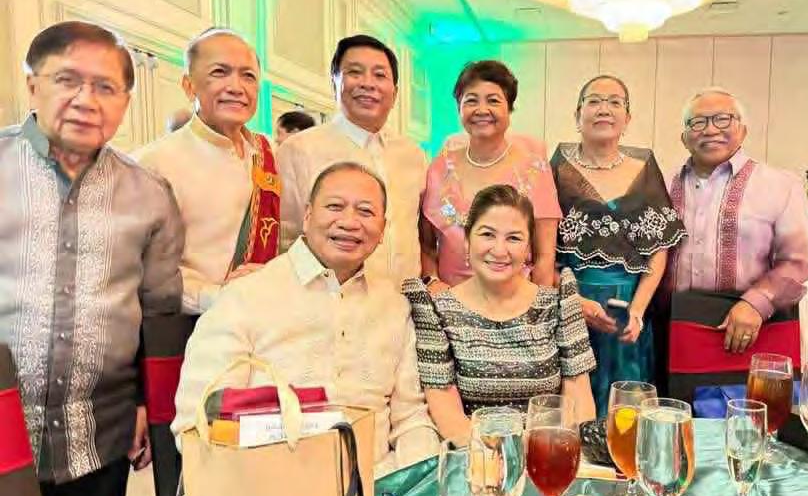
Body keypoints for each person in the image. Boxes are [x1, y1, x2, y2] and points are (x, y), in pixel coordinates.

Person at [0, 21, 184, 496]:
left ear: (125, 101)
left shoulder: (149, 194)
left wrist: (148, 403)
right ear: (32, 85)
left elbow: (159, 309)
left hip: (99, 437)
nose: (86, 100)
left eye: (105, 87)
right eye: (67, 80)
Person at [172, 162, 439, 477]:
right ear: (308, 215)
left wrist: (412, 485)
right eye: (335, 207)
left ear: (383, 229)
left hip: (376, 486)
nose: (349, 222)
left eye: (366, 212)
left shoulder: (393, 307)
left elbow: (411, 418)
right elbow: (198, 421)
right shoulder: (246, 296)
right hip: (269, 484)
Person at [405, 185, 596, 445]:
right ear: (467, 241)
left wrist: (557, 454)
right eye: (487, 234)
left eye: (514, 238)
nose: (499, 250)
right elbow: (447, 412)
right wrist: (502, 459)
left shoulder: (559, 303)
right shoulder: (436, 310)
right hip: (473, 455)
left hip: (549, 452)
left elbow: (578, 399)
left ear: (528, 249)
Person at [551, 75, 686, 415]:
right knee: (572, 412)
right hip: (569, 305)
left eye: (615, 102)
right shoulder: (555, 171)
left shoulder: (645, 170)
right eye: (594, 101)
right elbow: (540, 254)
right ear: (577, 114)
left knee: (626, 412)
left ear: (627, 118)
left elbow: (659, 249)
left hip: (628, 310)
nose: (604, 109)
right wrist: (574, 303)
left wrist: (637, 311)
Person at [134, 28, 281, 315]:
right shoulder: (154, 163)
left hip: (265, 320)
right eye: (219, 73)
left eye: (248, 76)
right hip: (189, 325)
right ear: (189, 86)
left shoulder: (270, 154)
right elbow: (144, 268)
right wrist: (217, 297)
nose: (236, 87)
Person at [665, 86, 808, 353]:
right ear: (684, 137)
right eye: (697, 122)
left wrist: (757, 303)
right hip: (669, 330)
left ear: (743, 130)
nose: (710, 129)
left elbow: (796, 264)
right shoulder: (661, 185)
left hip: (749, 330)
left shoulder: (781, 185)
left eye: (722, 119)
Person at [277, 34, 426, 285]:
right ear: (334, 83)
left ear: (395, 92)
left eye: (380, 75)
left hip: (404, 301)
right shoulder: (299, 150)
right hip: (330, 299)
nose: (368, 83)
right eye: (355, 72)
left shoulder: (412, 155)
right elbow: (285, 239)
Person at [420, 61, 561, 293]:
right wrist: (433, 282)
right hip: (450, 301)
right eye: (471, 100)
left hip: (515, 301)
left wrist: (537, 306)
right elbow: (425, 245)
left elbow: (545, 255)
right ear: (459, 108)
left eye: (493, 100)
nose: (482, 110)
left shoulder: (533, 168)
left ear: (509, 109)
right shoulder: (440, 167)